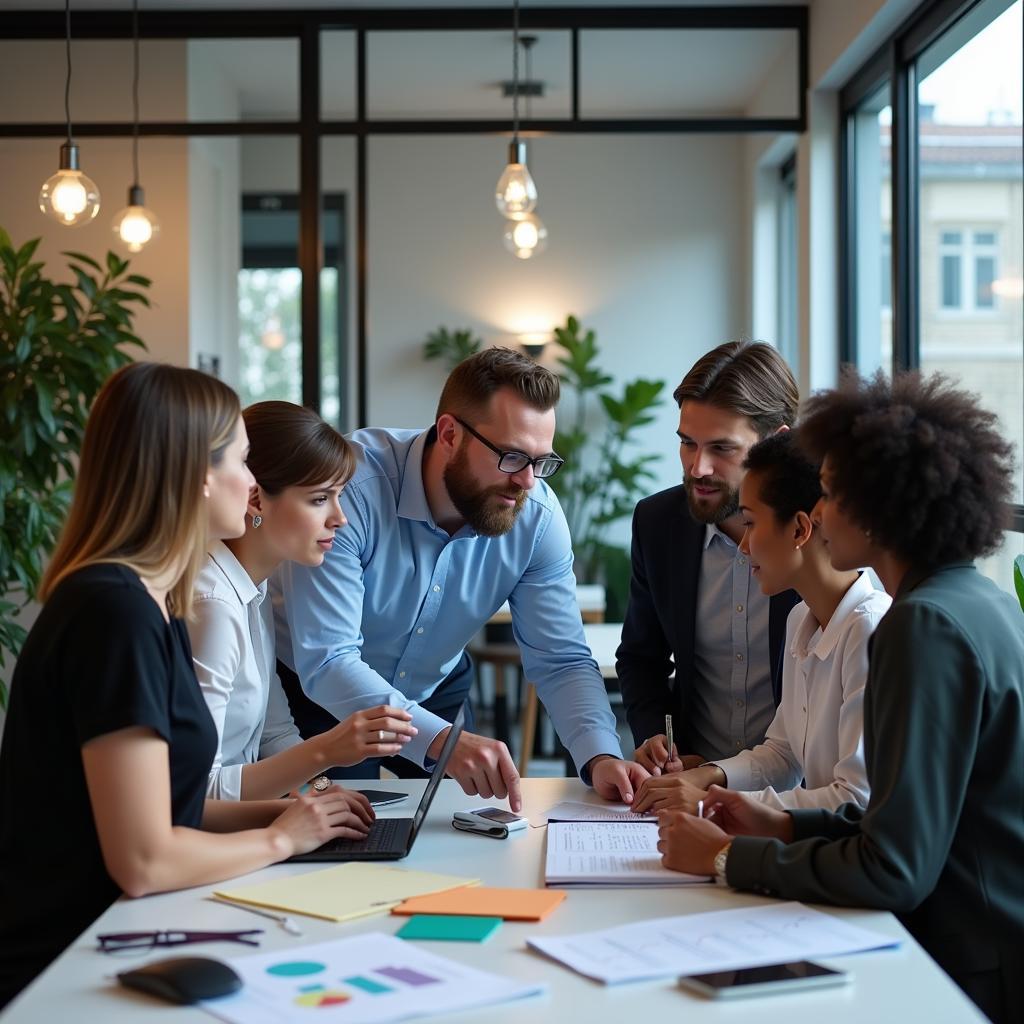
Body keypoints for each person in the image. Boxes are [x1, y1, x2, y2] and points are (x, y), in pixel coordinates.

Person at [656, 371, 1024, 1024]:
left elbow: (894, 868)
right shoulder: (981, 601)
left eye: (827, 494)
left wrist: (724, 857)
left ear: (878, 506)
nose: (818, 514)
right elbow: (908, 818)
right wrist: (789, 822)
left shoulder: (919, 626)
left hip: (972, 966)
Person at [0, 364, 372, 1008]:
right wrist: (282, 838)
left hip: (116, 931)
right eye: (242, 459)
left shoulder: (148, 604)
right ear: (195, 474)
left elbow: (168, 811)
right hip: (65, 961)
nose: (254, 483)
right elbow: (143, 859)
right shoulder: (112, 612)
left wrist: (290, 816)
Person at [273, 347, 647, 812]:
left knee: (456, 832)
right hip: (320, 698)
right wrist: (444, 743)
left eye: (542, 461)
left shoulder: (538, 517)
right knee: (343, 836)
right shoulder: (350, 489)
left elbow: (561, 659)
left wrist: (601, 755)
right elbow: (329, 660)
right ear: (449, 433)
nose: (528, 482)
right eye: (511, 457)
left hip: (435, 688)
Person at [631, 431, 889, 814]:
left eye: (751, 523)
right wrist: (707, 775)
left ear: (801, 530)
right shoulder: (802, 617)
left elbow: (856, 800)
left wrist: (710, 801)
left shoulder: (870, 629)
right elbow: (783, 754)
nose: (743, 546)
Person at [188, 401, 418, 801]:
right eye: (319, 499)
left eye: (340, 496)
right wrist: (327, 750)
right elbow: (194, 794)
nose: (340, 518)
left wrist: (324, 793)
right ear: (256, 501)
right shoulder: (213, 605)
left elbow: (276, 735)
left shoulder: (253, 591)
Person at [617, 341, 802, 774]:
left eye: (722, 448)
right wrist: (654, 735)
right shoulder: (657, 522)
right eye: (687, 444)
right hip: (690, 784)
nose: (698, 467)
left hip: (800, 797)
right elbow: (641, 656)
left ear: (776, 446)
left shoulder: (818, 537)